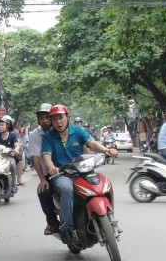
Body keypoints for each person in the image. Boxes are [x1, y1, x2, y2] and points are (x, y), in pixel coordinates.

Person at [42, 104, 118, 245]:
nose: (58, 122)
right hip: (62, 175)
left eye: (61, 118)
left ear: (67, 118)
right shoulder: (48, 137)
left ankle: (109, 217)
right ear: (51, 122)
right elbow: (46, 155)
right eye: (55, 119)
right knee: (66, 189)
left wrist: (106, 150)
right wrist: (51, 167)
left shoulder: (78, 131)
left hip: (82, 171)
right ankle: (67, 229)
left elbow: (92, 144)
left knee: (103, 183)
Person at [27, 103, 59, 235]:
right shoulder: (35, 135)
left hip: (68, 169)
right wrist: (42, 179)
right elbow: (35, 158)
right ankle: (52, 222)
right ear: (38, 120)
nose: (45, 120)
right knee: (43, 191)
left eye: (47, 117)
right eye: (41, 118)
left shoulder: (61, 129)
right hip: (49, 172)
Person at [0, 114, 24, 188]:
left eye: (2, 125)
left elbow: (17, 145)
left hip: (9, 156)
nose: (0, 126)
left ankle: (17, 180)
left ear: (7, 126)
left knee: (18, 161)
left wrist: (15, 150)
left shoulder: (12, 136)